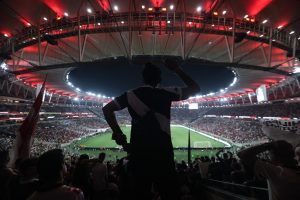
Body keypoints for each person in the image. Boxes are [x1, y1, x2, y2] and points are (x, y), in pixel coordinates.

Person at [102, 59, 200, 200]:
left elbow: (107, 109)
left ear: (143, 78)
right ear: (160, 78)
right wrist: (177, 69)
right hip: (163, 152)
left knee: (140, 194)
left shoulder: (130, 95)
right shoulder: (166, 92)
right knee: (170, 194)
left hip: (139, 153)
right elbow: (195, 88)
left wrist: (120, 136)